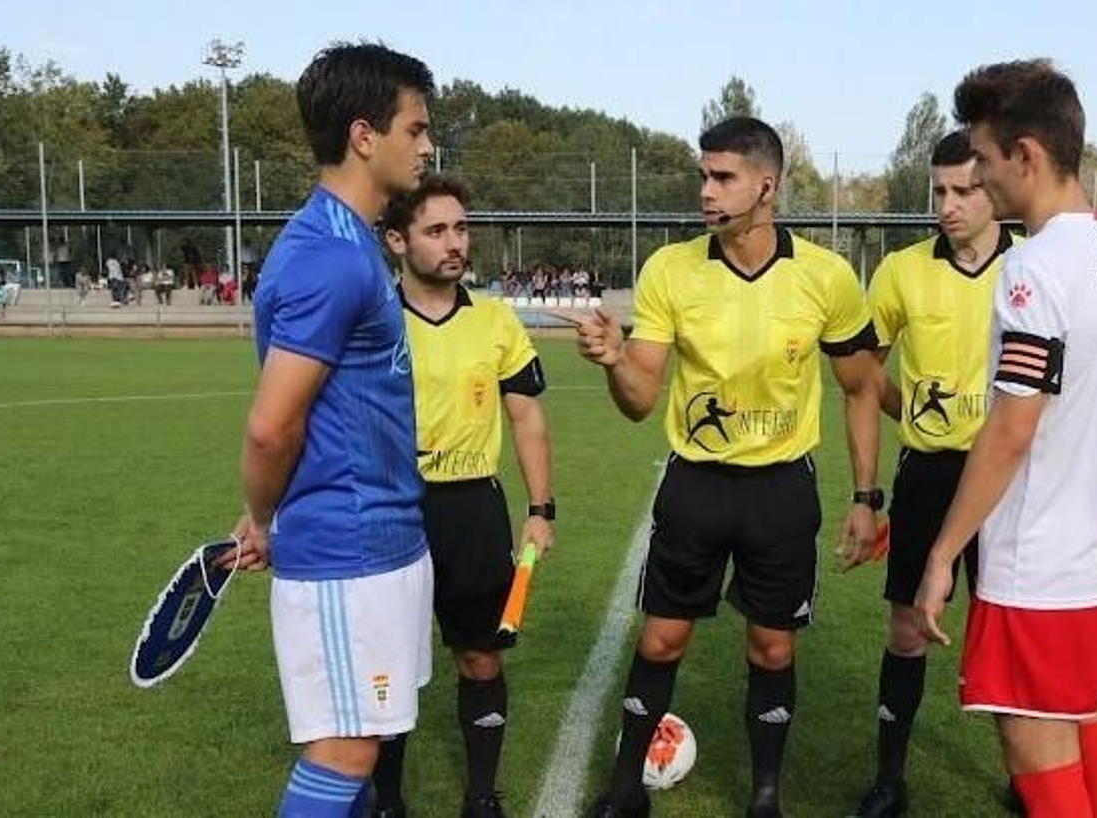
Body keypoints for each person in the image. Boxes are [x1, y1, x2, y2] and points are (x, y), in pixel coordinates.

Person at [569, 116, 885, 818]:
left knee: (772, 649)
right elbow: (639, 399)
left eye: (723, 178)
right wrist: (616, 360)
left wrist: (866, 496)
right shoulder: (671, 270)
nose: (705, 191)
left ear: (766, 186)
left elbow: (862, 387)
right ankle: (625, 790)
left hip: (781, 490)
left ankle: (764, 798)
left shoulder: (826, 276)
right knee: (661, 638)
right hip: (696, 486)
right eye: (703, 176)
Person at [914, 60, 1097, 817]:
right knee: (1087, 720)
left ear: (1025, 154)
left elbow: (1011, 429)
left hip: (1044, 568)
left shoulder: (1032, 269)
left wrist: (942, 555)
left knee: (1038, 750)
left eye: (984, 160)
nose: (980, 179)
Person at [213, 42, 437, 818]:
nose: (427, 146)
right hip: (347, 546)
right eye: (416, 128)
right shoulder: (329, 258)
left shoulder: (351, 244)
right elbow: (271, 427)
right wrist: (264, 518)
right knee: (345, 749)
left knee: (367, 741)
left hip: (383, 537)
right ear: (364, 135)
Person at [370, 174, 557, 818]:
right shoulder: (374, 320)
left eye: (461, 228)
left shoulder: (496, 320)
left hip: (474, 510)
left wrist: (540, 511)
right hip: (392, 512)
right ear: (397, 241)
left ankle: (481, 796)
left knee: (479, 657)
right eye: (436, 230)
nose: (455, 243)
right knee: (387, 669)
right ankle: (386, 801)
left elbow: (526, 417)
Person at [852, 130, 1016, 818]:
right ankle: (889, 782)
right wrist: (911, 417)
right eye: (939, 191)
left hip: (1014, 477)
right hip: (928, 474)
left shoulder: (1033, 266)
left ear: (994, 190)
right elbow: (861, 376)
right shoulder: (901, 271)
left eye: (964, 191)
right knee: (907, 629)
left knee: (1014, 633)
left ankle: (1029, 776)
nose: (947, 205)